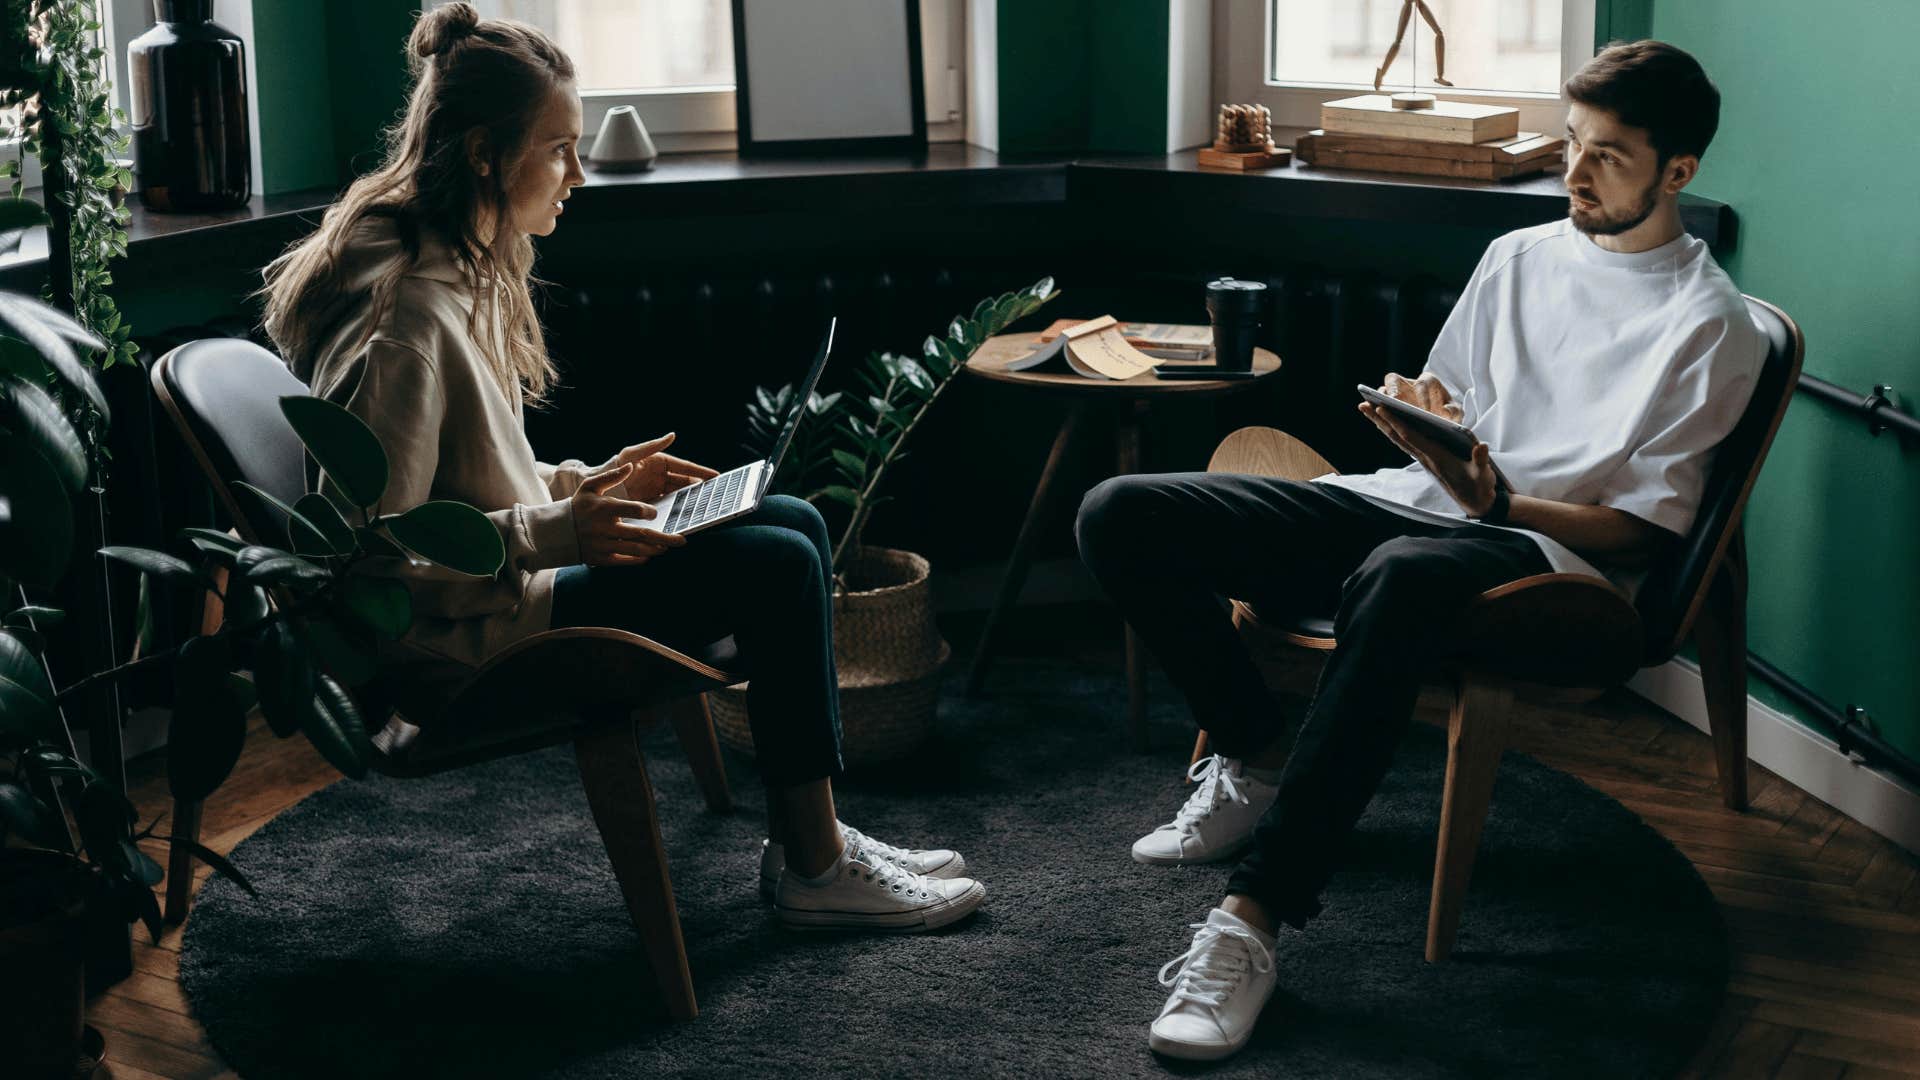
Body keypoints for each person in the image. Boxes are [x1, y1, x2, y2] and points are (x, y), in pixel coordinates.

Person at [1075, 41, 1764, 1061]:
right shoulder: (1519, 256)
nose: (1575, 174)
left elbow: (1640, 531)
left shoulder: (1712, 325)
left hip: (1545, 558)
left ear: (1679, 174)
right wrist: (1424, 417)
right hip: (1420, 503)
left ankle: (1252, 922)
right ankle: (1255, 748)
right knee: (1119, 512)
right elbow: (1456, 399)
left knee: (1395, 580)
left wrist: (1505, 497)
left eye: (1608, 157)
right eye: (1572, 144)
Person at [259, 3, 984, 933]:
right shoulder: (409, 320)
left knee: (793, 520)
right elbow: (368, 563)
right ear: (485, 154)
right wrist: (559, 531)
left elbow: (466, 479)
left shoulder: (451, 263)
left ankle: (819, 836)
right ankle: (814, 864)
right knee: (782, 563)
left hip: (511, 591)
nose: (578, 172)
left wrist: (584, 484)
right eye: (559, 148)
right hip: (468, 647)